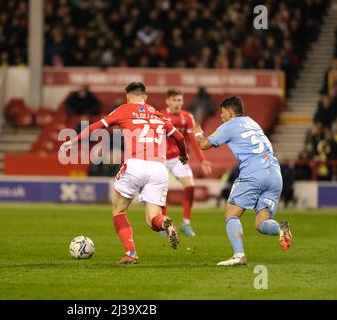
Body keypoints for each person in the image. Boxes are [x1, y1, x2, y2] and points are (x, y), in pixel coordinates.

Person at [60, 82, 189, 264]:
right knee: (153, 219)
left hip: (136, 165)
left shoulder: (124, 109)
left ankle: (131, 252)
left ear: (128, 97)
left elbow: (96, 126)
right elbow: (180, 137)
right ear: (146, 97)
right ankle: (165, 222)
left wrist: (73, 141)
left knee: (118, 210)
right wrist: (183, 155)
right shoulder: (158, 114)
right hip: (159, 169)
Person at [194, 96, 293, 266]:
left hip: (254, 173)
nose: (221, 117)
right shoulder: (253, 122)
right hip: (275, 173)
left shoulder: (229, 125)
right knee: (261, 222)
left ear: (230, 113)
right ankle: (280, 229)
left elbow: (203, 144)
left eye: (223, 113)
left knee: (231, 214)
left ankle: (239, 255)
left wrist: (196, 133)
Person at [159, 88, 213, 236]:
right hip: (161, 158)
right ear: (168, 101)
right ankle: (164, 224)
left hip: (178, 158)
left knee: (190, 187)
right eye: (175, 100)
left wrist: (203, 160)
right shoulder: (160, 116)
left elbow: (193, 141)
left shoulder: (187, 117)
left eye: (180, 100)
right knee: (161, 191)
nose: (178, 103)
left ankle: (186, 224)